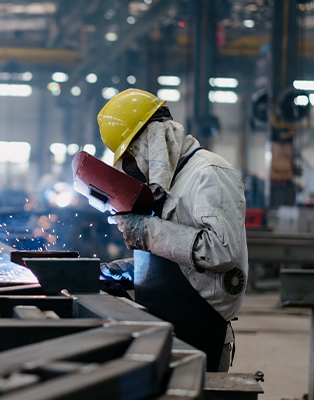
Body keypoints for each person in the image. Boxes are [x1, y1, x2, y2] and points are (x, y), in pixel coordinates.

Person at [97, 89, 248, 373]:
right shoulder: (170, 183)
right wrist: (130, 269)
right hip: (166, 323)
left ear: (153, 139)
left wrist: (145, 230)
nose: (130, 164)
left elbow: (221, 251)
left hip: (201, 330)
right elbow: (180, 260)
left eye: (131, 153)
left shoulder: (208, 172)